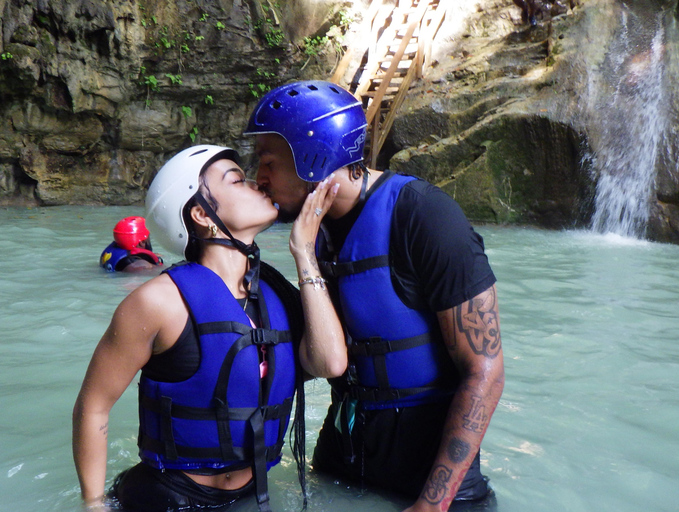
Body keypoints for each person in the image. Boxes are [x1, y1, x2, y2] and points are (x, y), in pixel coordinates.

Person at [244, 81, 505, 512]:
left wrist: (433, 504)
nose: (260, 177)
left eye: (268, 162)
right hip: (343, 458)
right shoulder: (313, 233)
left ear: (314, 157)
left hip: (433, 480)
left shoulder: (423, 215)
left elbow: (485, 370)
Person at [73, 145, 347, 512]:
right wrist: (93, 505)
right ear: (202, 214)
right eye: (237, 179)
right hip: (166, 498)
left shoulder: (278, 293)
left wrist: (304, 253)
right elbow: (93, 406)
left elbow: (330, 364)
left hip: (253, 496)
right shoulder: (157, 303)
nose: (256, 183)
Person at [99, 216, 163, 272]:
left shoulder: (117, 252)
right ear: (142, 243)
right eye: (148, 238)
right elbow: (166, 276)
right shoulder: (140, 267)